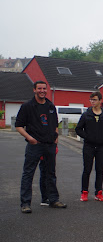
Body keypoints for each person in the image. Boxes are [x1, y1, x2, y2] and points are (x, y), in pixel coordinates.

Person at [16, 80, 67, 213]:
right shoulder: (27, 106)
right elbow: (19, 126)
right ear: (34, 90)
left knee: (50, 174)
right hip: (35, 145)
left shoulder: (50, 106)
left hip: (49, 145)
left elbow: (55, 126)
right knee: (28, 173)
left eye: (44, 88)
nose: (42, 91)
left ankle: (53, 199)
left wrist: (56, 141)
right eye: (39, 88)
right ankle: (25, 203)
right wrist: (30, 138)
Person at [75, 91, 103, 202]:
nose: (92, 102)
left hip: (101, 147)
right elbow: (78, 129)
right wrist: (87, 137)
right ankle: (84, 192)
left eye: (94, 100)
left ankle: (99, 193)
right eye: (91, 100)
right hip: (89, 146)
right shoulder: (86, 114)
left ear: (100, 101)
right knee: (87, 169)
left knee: (99, 170)